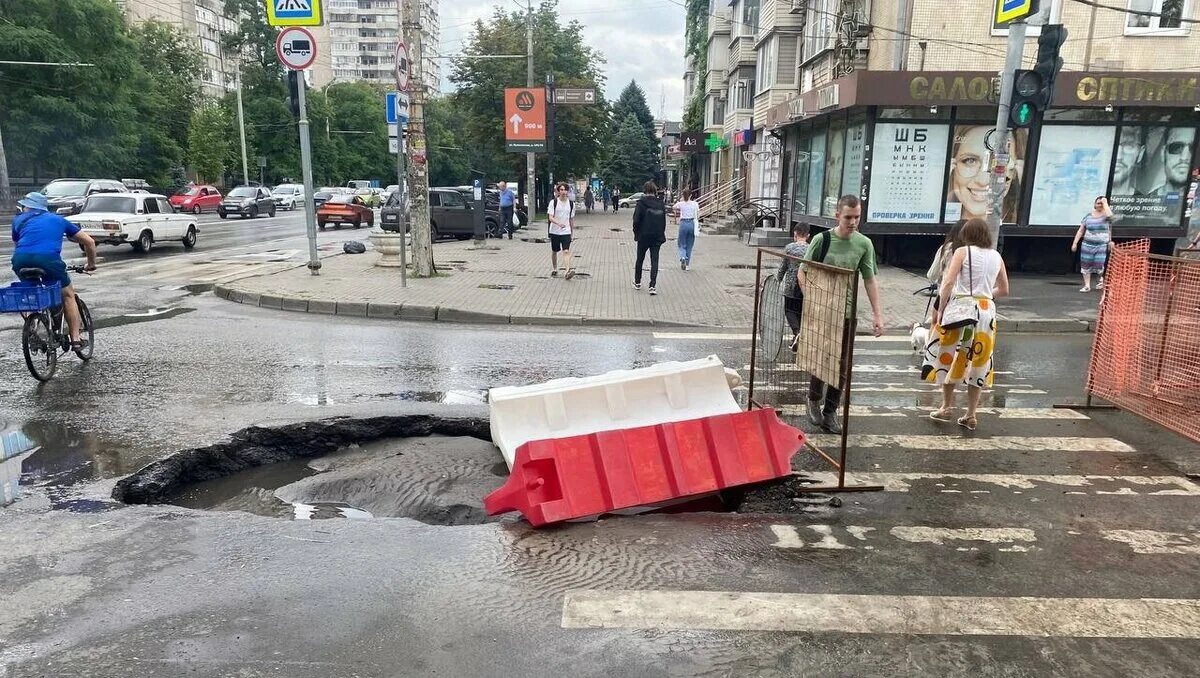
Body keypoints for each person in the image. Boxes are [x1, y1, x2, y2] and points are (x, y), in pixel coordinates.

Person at [800, 195, 885, 434]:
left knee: (842, 366)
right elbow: (803, 272)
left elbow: (869, 279)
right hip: (822, 311)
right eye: (848, 217)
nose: (853, 221)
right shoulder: (821, 240)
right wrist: (812, 300)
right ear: (837, 215)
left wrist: (878, 315)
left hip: (847, 314)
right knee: (820, 358)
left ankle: (830, 412)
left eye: (857, 217)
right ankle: (813, 399)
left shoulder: (864, 244)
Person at [921, 217, 1010, 432]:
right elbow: (1005, 289)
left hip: (961, 309)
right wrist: (986, 297)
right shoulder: (997, 256)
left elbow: (948, 283)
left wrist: (941, 307)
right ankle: (971, 414)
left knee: (950, 355)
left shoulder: (962, 252)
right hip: (987, 312)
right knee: (979, 360)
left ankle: (946, 406)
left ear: (967, 236)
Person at [9, 192, 98, 348]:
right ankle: (75, 339)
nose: (22, 208)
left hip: (20, 260)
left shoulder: (18, 221)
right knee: (68, 296)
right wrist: (91, 264)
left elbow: (18, 245)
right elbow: (89, 242)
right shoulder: (58, 219)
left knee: (31, 293)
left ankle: (32, 329)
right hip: (48, 260)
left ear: (29, 207)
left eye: (24, 205)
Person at [945, 125, 1024, 223]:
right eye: (970, 160)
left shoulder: (1020, 220)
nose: (983, 181)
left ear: (1015, 172)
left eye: (999, 163)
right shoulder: (942, 210)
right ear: (952, 166)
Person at [777, 222, 809, 352]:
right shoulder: (811, 248)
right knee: (801, 312)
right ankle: (799, 338)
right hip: (805, 287)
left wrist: (777, 280)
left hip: (790, 286)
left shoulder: (789, 248)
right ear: (808, 235)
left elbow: (783, 267)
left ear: (795, 234)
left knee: (789, 310)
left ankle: (797, 332)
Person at [1071, 196, 1114, 292]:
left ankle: (1101, 280)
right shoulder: (1088, 216)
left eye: (1101, 203)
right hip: (1087, 244)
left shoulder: (1106, 216)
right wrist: (1075, 243)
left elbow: (1111, 217)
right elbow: (1081, 230)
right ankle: (1087, 285)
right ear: (1094, 204)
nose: (1099, 205)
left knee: (1099, 264)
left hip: (1101, 245)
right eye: (1098, 203)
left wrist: (1105, 203)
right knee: (1086, 264)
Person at [631, 181, 667, 295]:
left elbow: (636, 220)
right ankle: (652, 286)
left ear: (645, 190)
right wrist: (661, 233)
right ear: (655, 190)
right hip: (657, 236)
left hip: (643, 236)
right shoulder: (660, 203)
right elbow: (663, 221)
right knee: (654, 261)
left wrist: (636, 233)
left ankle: (637, 282)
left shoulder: (641, 203)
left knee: (640, 259)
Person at [1151, 127, 1196, 197]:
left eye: (1193, 148)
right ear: (1163, 154)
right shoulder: (1144, 202)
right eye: (1177, 147)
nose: (1184, 157)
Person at [546, 182, 576, 279]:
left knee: (566, 251)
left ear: (567, 191)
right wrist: (558, 223)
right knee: (555, 251)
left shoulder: (571, 204)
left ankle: (567, 271)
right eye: (561, 190)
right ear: (558, 192)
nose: (563, 192)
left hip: (566, 231)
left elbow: (571, 219)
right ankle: (555, 268)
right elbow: (550, 217)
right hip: (555, 231)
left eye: (565, 190)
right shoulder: (553, 203)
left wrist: (572, 232)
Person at [1111, 127, 1147, 197]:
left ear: (1140, 154)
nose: (1118, 157)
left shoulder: (1144, 205)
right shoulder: (1085, 198)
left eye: (1129, 146)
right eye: (1111, 145)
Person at [673, 189, 700, 270]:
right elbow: (698, 214)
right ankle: (687, 265)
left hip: (683, 224)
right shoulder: (695, 204)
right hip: (692, 223)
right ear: (691, 195)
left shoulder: (681, 204)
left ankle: (683, 257)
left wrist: (681, 200)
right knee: (689, 245)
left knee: (681, 243)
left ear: (683, 195)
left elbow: (673, 207)